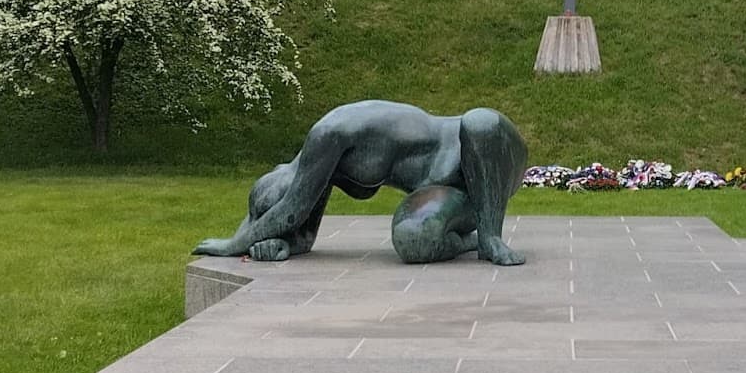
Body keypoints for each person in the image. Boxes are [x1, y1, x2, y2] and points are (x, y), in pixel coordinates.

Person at [192, 100, 527, 265]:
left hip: (486, 157)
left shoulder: (327, 135)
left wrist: (231, 245)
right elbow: (301, 227)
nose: (276, 226)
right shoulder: (316, 166)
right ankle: (468, 241)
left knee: (480, 121)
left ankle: (490, 235)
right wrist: (288, 244)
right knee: (413, 240)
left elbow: (291, 211)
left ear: (283, 179)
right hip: (449, 188)